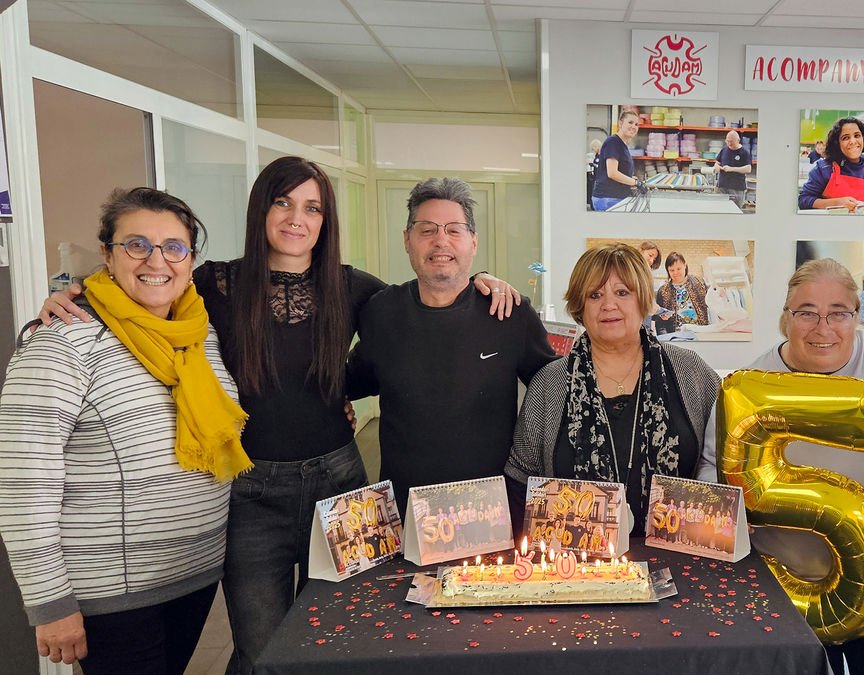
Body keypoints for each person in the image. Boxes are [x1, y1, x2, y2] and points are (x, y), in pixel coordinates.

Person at [36, 158, 521, 674]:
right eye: (283, 202)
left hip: (341, 486)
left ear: (325, 218)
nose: (297, 218)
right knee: (261, 648)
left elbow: (430, 297)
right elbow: (144, 289)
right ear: (261, 209)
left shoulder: (355, 288)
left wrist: (482, 280)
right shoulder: (212, 284)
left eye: (312, 207)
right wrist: (75, 295)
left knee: (342, 632)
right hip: (250, 491)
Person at [0, 188, 247, 674]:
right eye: (137, 244)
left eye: (173, 247)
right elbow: (24, 482)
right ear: (109, 256)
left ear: (190, 259)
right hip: (111, 592)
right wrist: (50, 603)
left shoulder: (198, 332)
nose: (157, 260)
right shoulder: (63, 340)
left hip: (193, 574)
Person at [697, 258, 864, 673]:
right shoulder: (750, 382)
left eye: (838, 313)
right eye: (807, 312)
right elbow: (710, 466)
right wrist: (734, 513)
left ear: (856, 316)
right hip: (791, 591)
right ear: (786, 316)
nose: (822, 327)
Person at [346, 177, 556, 513]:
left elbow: (552, 388)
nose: (440, 240)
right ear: (407, 240)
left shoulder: (508, 312)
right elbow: (352, 381)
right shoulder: (382, 311)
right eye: (427, 229)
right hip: (407, 511)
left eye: (454, 230)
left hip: (492, 511)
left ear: (473, 241)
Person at [505, 243, 720, 533]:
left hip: (682, 562)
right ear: (580, 306)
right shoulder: (550, 383)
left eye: (622, 292)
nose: (609, 305)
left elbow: (722, 466)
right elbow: (521, 481)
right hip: (578, 569)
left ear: (643, 300)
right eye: (595, 295)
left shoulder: (690, 371)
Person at [799, 117, 864, 212]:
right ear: (837, 143)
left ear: (863, 138)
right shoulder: (824, 168)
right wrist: (836, 203)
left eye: (857, 136)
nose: (853, 141)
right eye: (846, 138)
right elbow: (804, 200)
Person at [591, 111, 642, 211]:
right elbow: (612, 173)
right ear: (620, 123)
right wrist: (635, 183)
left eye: (636, 124)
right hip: (607, 199)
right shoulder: (613, 142)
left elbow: (618, 171)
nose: (634, 126)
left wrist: (632, 179)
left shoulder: (623, 146)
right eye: (630, 122)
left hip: (615, 198)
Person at [655, 251, 709, 332]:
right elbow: (659, 323)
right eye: (672, 270)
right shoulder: (662, 291)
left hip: (701, 331)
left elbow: (711, 305)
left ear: (685, 265)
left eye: (678, 268)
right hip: (676, 336)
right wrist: (665, 340)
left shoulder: (699, 282)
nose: (676, 272)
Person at [715, 130, 753, 208]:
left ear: (738, 140)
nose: (729, 143)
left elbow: (748, 169)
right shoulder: (724, 150)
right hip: (722, 187)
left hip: (736, 188)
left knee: (736, 211)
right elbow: (717, 162)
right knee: (720, 210)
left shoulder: (744, 152)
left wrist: (731, 169)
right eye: (727, 141)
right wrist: (717, 167)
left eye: (731, 141)